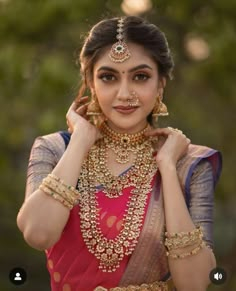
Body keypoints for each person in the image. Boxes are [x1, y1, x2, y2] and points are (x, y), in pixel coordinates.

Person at [17, 16, 222, 291]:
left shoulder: (190, 165)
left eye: (140, 76)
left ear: (160, 83)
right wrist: (81, 141)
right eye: (108, 77)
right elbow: (37, 234)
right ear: (91, 82)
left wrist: (168, 169)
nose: (125, 94)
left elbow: (195, 283)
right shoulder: (56, 149)